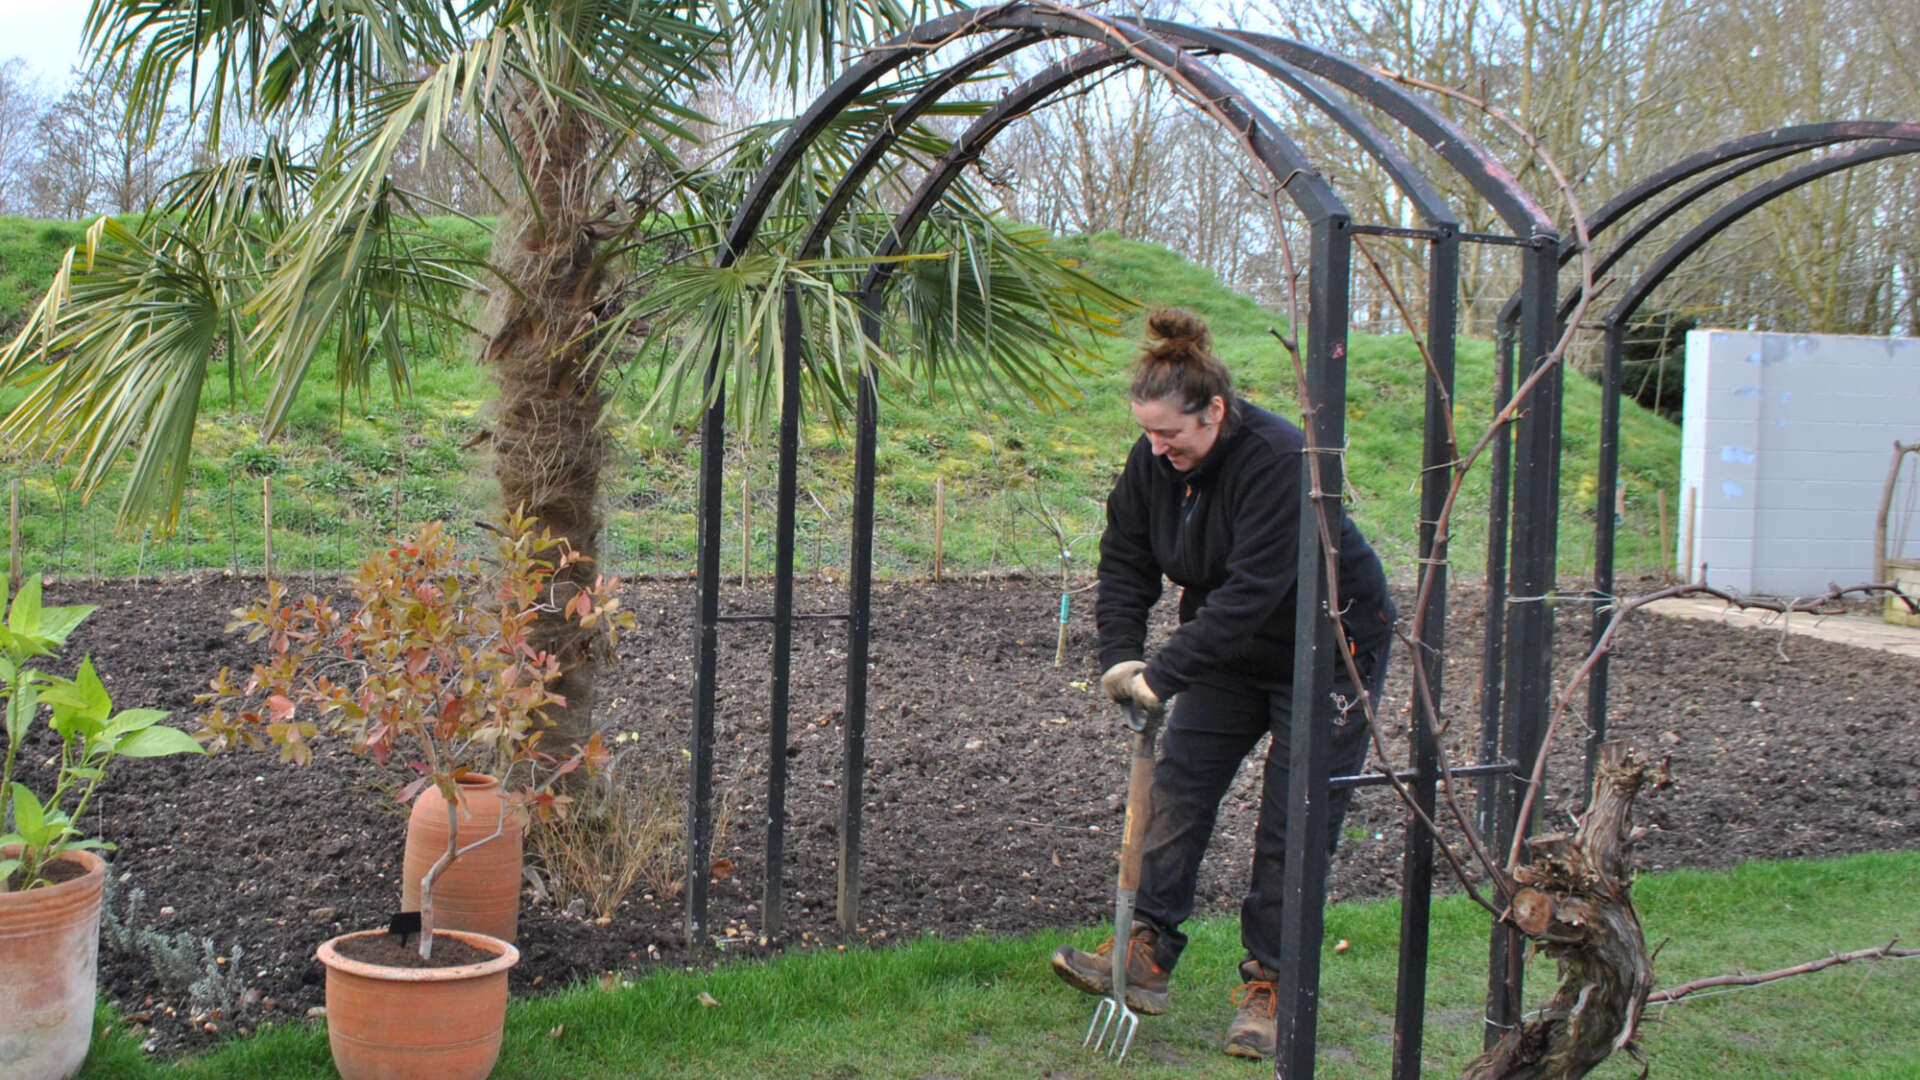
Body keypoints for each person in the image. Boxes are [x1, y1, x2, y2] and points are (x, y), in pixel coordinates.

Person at [1051, 308, 1397, 1060]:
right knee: (1179, 791)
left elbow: (1255, 589)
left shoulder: (1279, 458)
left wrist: (1166, 674)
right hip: (1230, 654)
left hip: (1329, 649)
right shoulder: (1155, 462)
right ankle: (1144, 952)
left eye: (1170, 434)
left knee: (1293, 823)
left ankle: (1271, 986)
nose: (1156, 448)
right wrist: (1121, 657)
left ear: (1216, 411)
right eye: (1147, 433)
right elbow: (1127, 561)